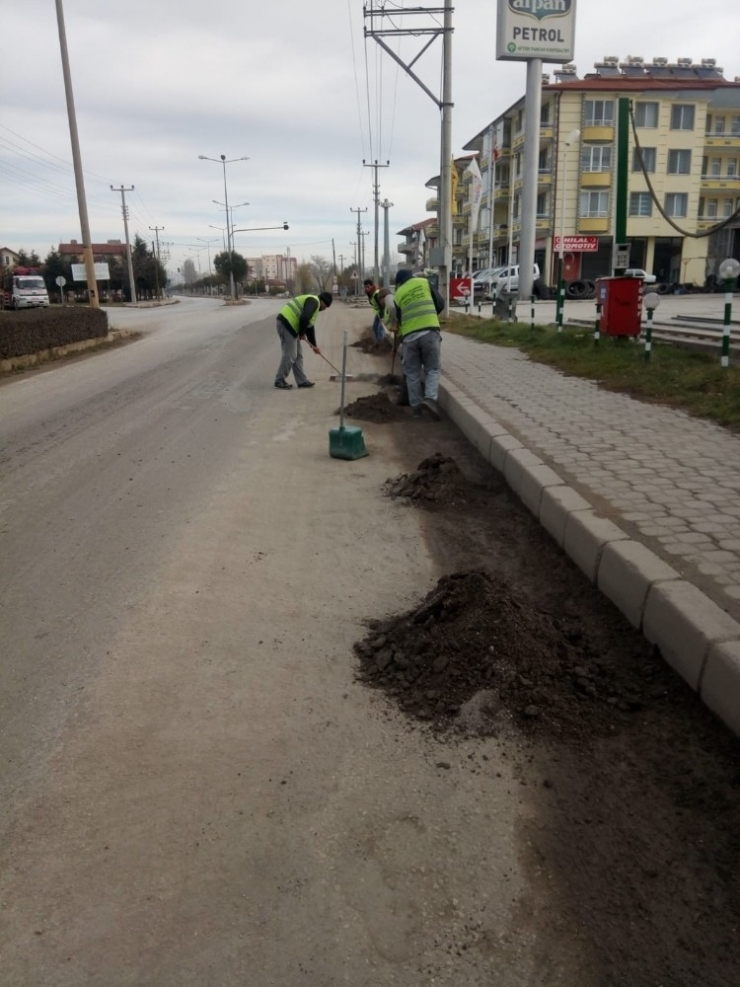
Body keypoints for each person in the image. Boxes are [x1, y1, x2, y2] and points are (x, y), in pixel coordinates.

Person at [393, 269, 444, 419]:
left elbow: (400, 319)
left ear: (399, 282)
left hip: (409, 337)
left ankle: (416, 409)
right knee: (432, 369)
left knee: (412, 374)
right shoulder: (424, 282)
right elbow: (440, 303)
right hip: (429, 332)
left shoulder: (398, 294)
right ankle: (429, 400)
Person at [274, 291, 333, 389]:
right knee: (290, 354)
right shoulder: (314, 302)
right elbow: (304, 318)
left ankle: (302, 381)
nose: (325, 309)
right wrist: (302, 333)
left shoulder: (314, 305)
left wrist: (314, 345)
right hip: (286, 323)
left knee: (298, 355)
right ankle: (279, 380)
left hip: (291, 326)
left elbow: (309, 327)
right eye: (326, 307)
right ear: (323, 302)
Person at [363, 278, 386, 343]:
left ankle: (381, 344)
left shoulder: (376, 294)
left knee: (380, 329)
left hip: (384, 313)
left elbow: (382, 306)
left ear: (372, 286)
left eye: (368, 286)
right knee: (375, 327)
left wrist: (382, 317)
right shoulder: (370, 294)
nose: (366, 288)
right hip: (378, 313)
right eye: (365, 287)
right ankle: (378, 342)